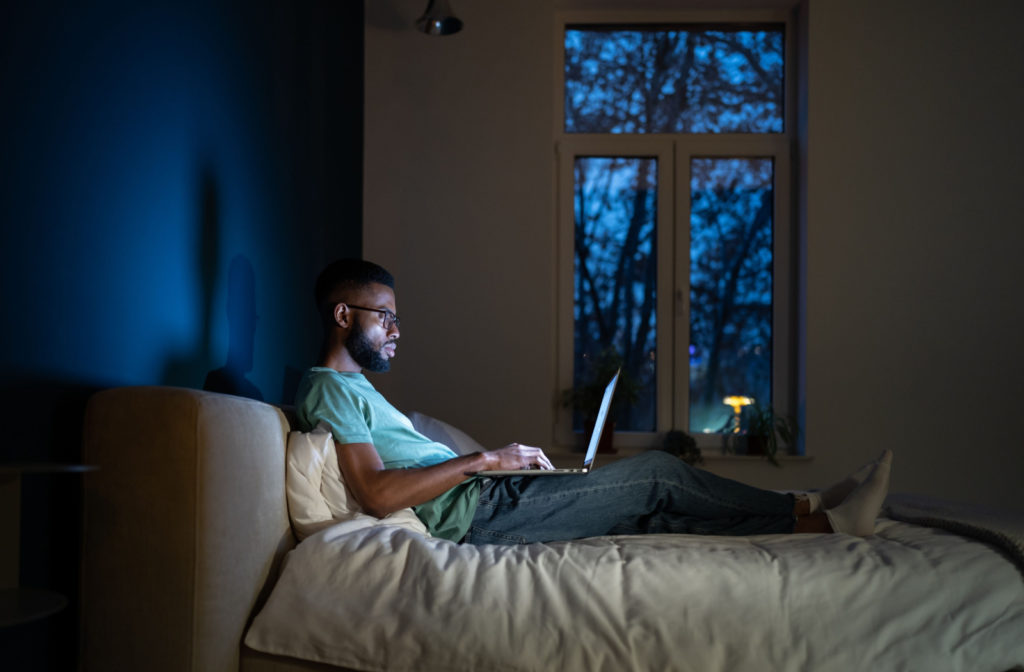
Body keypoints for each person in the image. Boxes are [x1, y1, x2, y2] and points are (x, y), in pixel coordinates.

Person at [294, 258, 892, 545]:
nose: (397, 331)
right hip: (481, 511)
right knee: (656, 474)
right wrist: (483, 461)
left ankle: (821, 522)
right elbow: (374, 493)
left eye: (398, 319)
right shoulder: (328, 386)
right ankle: (807, 506)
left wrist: (498, 465)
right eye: (386, 318)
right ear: (344, 315)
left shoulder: (356, 389)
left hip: (488, 499)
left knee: (650, 514)